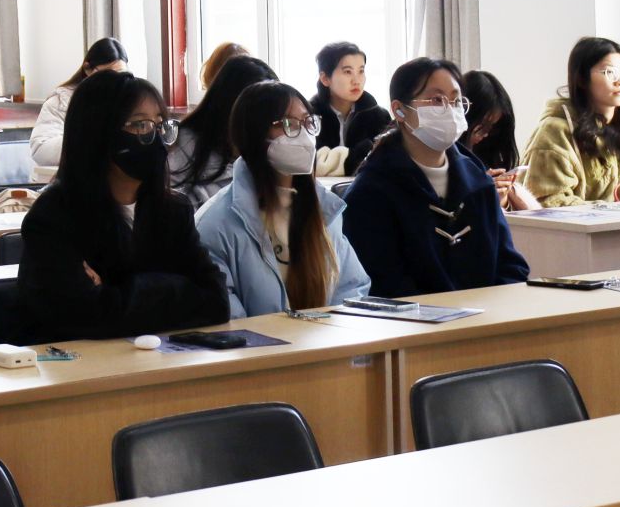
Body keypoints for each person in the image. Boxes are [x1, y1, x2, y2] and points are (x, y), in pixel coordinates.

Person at [17, 69, 226, 340]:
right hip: (80, 363)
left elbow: (217, 301)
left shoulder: (173, 211)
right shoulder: (53, 217)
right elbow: (86, 317)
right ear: (100, 133)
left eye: (159, 125)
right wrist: (176, 287)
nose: (155, 138)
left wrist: (122, 292)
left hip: (159, 358)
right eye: (140, 125)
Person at [339, 58, 531, 296]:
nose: (449, 110)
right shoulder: (371, 192)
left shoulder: (478, 182)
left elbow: (510, 264)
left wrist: (496, 305)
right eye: (437, 100)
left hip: (489, 314)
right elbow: (382, 282)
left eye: (456, 101)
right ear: (399, 110)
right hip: (416, 317)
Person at [193, 80, 370, 317]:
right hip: (261, 342)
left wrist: (334, 330)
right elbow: (229, 319)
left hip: (326, 339)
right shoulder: (216, 223)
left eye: (308, 122)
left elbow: (353, 287)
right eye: (289, 124)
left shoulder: (325, 208)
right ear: (254, 134)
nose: (304, 135)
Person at [523, 37, 620, 206]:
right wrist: (617, 213)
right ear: (582, 78)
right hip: (587, 224)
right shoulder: (556, 131)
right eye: (610, 72)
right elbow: (549, 201)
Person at [168, 53, 275, 206]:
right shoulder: (180, 150)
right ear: (232, 107)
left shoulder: (260, 150)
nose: (268, 124)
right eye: (262, 112)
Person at [28, 37, 129, 182]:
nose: (115, 82)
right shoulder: (61, 101)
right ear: (88, 69)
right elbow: (41, 150)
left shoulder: (132, 100)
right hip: (67, 182)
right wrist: (88, 139)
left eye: (121, 75)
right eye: (107, 75)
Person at [306, 41, 391, 176]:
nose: (356, 80)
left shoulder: (379, 116)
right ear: (325, 78)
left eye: (361, 71)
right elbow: (307, 164)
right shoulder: (308, 117)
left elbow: (386, 163)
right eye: (347, 72)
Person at [460, 69, 538, 211]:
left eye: (493, 128)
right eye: (482, 126)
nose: (486, 134)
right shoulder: (447, 162)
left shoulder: (489, 153)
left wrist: (504, 201)